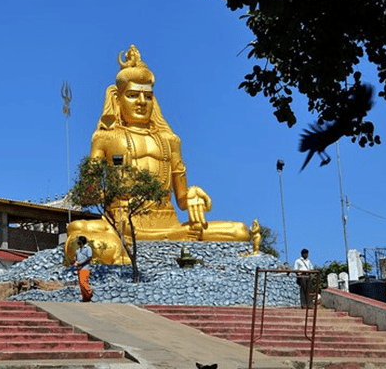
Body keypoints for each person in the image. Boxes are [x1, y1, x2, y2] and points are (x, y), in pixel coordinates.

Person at [66, 45, 249, 264]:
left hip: (169, 224)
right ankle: (121, 250)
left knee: (240, 232)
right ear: (118, 99)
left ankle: (129, 251)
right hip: (121, 223)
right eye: (133, 95)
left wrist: (193, 196)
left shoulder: (170, 141)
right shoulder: (105, 138)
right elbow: (89, 196)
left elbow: (181, 200)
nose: (142, 102)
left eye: (148, 96)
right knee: (79, 231)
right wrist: (98, 188)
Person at [73, 235, 93, 302]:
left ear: (81, 241)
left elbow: (89, 257)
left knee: (83, 282)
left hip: (85, 267)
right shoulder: (78, 250)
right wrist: (75, 261)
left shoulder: (88, 248)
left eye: (78, 240)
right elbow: (76, 257)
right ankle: (85, 298)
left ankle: (89, 294)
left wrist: (81, 263)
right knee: (81, 285)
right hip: (79, 268)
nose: (77, 242)